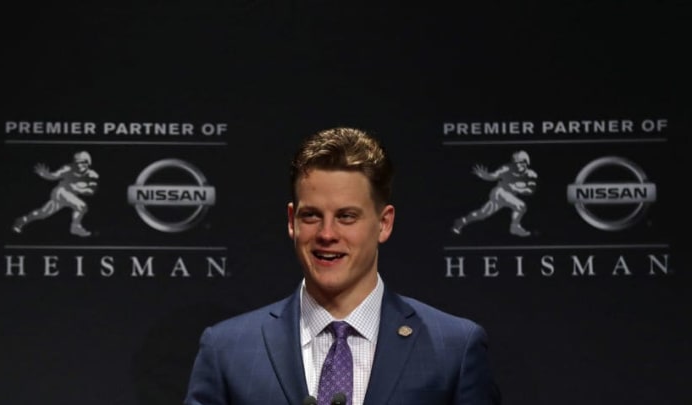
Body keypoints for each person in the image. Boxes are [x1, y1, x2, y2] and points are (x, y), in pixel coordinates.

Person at [185, 127, 500, 404]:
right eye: (311, 216)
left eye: (346, 217)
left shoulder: (453, 349)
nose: (326, 234)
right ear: (292, 222)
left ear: (384, 223)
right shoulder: (228, 349)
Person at [12, 151, 99, 237]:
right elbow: (54, 175)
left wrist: (78, 188)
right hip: (61, 192)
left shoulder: (92, 175)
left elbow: (91, 191)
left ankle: (23, 220)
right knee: (81, 206)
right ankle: (75, 227)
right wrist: (46, 175)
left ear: (88, 162)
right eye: (77, 163)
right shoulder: (68, 168)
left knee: (43, 213)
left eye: (83, 162)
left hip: (70, 196)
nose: (80, 165)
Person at [452, 150, 537, 237]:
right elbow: (494, 176)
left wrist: (517, 188)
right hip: (500, 192)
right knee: (521, 206)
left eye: (521, 162)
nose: (519, 165)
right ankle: (515, 227)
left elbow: (530, 191)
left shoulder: (531, 175)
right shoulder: (507, 168)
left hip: (509, 197)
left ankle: (462, 221)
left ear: (527, 162)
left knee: (482, 214)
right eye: (516, 163)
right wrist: (485, 175)